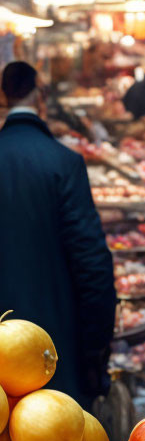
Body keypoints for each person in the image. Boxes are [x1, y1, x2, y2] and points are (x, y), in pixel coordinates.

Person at [0, 62, 117, 408]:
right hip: (52, 352)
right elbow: (92, 264)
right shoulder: (62, 162)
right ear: (42, 97)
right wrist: (96, 355)